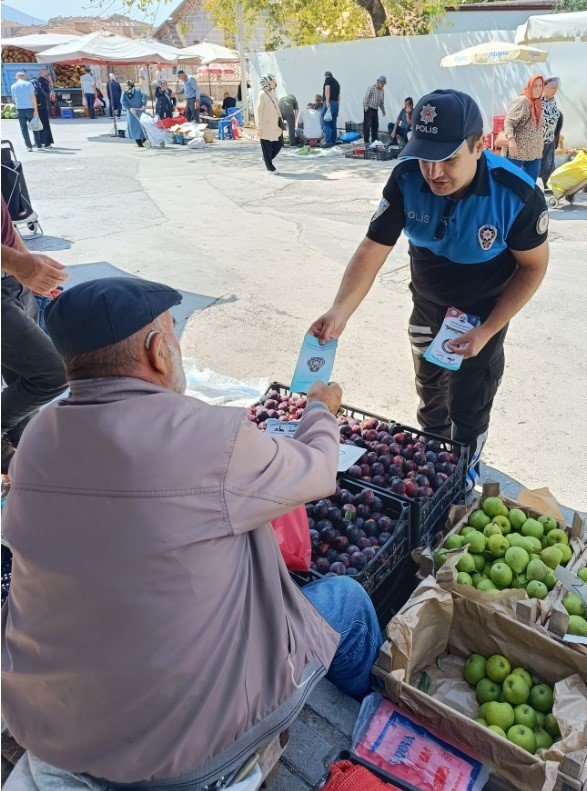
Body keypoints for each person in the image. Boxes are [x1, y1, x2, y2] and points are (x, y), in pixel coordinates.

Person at [1, 276, 380, 789]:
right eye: (173, 333)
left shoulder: (39, 438)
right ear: (159, 350)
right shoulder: (207, 436)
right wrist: (320, 411)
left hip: (53, 727)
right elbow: (317, 469)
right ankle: (374, 733)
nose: (176, 343)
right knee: (347, 602)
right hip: (185, 753)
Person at [310, 90, 549, 486]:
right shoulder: (406, 178)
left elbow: (533, 268)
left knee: (470, 403)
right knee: (430, 389)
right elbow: (373, 246)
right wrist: (340, 310)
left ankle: (464, 472)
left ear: (479, 146)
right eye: (425, 157)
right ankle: (434, 457)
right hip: (427, 304)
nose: (434, 172)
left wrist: (488, 330)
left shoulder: (517, 195)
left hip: (482, 314)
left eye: (449, 158)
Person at [1, 197, 67, 478]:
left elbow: (5, 225)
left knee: (21, 381)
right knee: (52, 375)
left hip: (13, 281)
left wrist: (28, 266)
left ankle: (21, 466)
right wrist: (18, 262)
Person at [503, 74, 545, 181]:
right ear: (530, 86)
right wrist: (511, 140)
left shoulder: (539, 103)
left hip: (534, 153)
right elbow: (509, 121)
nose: (538, 89)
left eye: (540, 86)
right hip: (517, 153)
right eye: (535, 86)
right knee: (510, 183)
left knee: (530, 186)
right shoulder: (522, 101)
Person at [256, 74, 284, 173]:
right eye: (272, 80)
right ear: (267, 82)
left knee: (279, 144)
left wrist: (281, 120)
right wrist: (259, 127)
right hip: (266, 125)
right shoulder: (262, 94)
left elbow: (277, 107)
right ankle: (270, 167)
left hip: (276, 124)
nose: (274, 82)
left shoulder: (272, 92)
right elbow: (259, 112)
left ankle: (266, 159)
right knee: (266, 146)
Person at [540, 76, 563, 188]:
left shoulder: (553, 102)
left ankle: (547, 188)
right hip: (536, 141)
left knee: (548, 167)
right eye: (553, 87)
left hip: (549, 140)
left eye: (556, 87)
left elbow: (557, 120)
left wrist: (556, 139)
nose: (555, 90)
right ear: (545, 87)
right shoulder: (538, 101)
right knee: (535, 167)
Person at [10, 72, 40, 152]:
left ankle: (29, 146)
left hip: (20, 109)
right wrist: (36, 110)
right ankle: (38, 145)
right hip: (30, 108)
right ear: (23, 76)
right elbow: (33, 97)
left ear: (17, 77)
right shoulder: (29, 84)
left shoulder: (13, 86)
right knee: (34, 126)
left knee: (24, 129)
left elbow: (13, 98)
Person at [31, 68, 55, 149]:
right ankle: (43, 142)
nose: (46, 73)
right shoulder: (39, 84)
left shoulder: (44, 81)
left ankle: (42, 142)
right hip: (42, 108)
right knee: (42, 125)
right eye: (45, 72)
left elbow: (51, 86)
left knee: (40, 125)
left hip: (42, 108)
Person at [122, 81, 147, 148]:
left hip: (132, 112)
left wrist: (129, 108)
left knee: (135, 127)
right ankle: (145, 142)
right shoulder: (138, 89)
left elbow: (123, 101)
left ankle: (140, 143)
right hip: (139, 110)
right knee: (142, 127)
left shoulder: (125, 91)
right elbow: (145, 95)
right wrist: (143, 105)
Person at [363, 75, 387, 146]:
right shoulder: (371, 88)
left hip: (375, 109)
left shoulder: (382, 91)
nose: (382, 85)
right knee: (367, 125)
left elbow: (381, 102)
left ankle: (374, 140)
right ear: (378, 82)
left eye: (383, 84)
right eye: (382, 84)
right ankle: (366, 141)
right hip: (369, 108)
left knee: (375, 125)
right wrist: (365, 106)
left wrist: (383, 110)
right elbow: (366, 98)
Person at [321, 70, 340, 147]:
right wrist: (337, 107)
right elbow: (339, 96)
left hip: (330, 103)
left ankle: (328, 141)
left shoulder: (328, 79)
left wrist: (327, 101)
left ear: (326, 76)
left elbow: (327, 89)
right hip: (336, 104)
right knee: (333, 124)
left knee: (325, 122)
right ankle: (333, 141)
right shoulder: (337, 83)